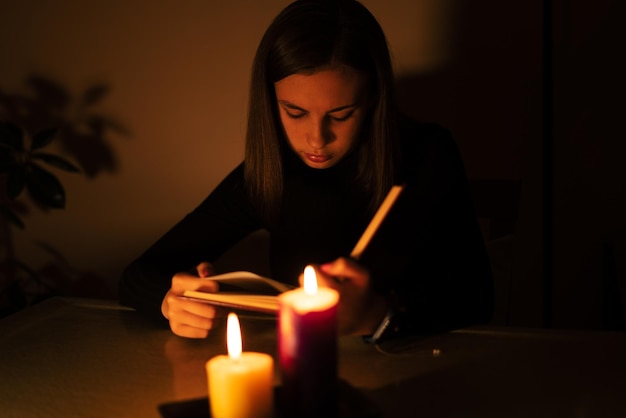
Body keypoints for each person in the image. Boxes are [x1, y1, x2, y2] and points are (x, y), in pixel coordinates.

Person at [118, 0, 494, 342]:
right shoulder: (274, 171)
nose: (317, 139)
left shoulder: (425, 154)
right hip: (305, 366)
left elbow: (475, 299)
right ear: (270, 102)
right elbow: (138, 274)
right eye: (295, 113)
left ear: (374, 99)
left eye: (341, 115)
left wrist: (375, 315)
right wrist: (170, 302)